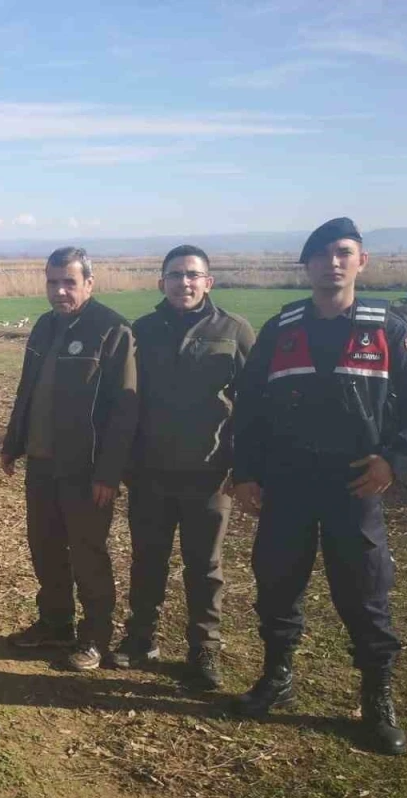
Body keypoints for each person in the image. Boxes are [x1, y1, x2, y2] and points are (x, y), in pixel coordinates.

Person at [230, 218, 407, 755]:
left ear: (361, 261)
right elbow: (248, 408)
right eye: (322, 254)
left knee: (365, 594)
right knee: (277, 585)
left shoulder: (389, 328)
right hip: (288, 484)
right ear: (307, 266)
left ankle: (376, 700)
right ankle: (277, 677)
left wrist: (393, 462)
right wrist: (246, 472)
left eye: (344, 252)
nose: (333, 263)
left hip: (355, 486)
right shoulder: (281, 329)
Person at [112, 246, 255, 689]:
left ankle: (204, 649)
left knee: (204, 566)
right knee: (147, 560)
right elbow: (126, 402)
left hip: (209, 475)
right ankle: (141, 638)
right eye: (175, 275)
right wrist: (124, 463)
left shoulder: (234, 331)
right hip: (150, 473)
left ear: (208, 282)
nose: (184, 283)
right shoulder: (142, 331)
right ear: (162, 282)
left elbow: (253, 406)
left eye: (193, 275)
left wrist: (244, 467)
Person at [0, 247, 138, 671]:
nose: (60, 291)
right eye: (53, 282)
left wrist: (108, 473)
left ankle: (95, 636)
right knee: (45, 548)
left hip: (86, 469)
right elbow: (28, 388)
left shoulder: (112, 330)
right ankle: (55, 623)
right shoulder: (44, 326)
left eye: (69, 283)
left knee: (87, 554)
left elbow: (124, 411)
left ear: (89, 284)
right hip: (42, 462)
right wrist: (13, 443)